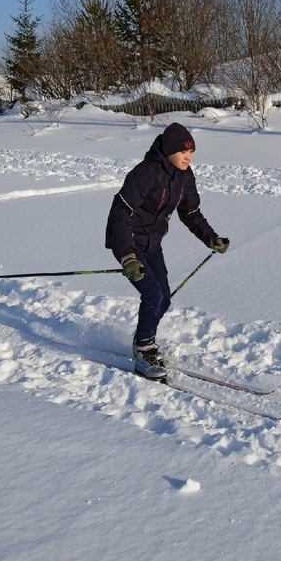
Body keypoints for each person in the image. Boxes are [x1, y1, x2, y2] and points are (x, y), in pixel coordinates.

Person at [105, 122, 230, 379]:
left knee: (164, 297)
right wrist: (128, 256)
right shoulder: (145, 173)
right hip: (128, 242)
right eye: (184, 151)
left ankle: (143, 338)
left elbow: (190, 212)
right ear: (169, 150)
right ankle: (143, 350)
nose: (189, 157)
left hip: (153, 243)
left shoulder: (184, 176)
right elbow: (120, 212)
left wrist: (210, 238)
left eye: (192, 152)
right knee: (152, 294)